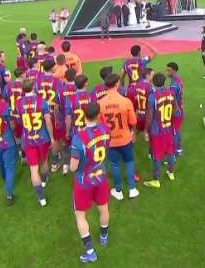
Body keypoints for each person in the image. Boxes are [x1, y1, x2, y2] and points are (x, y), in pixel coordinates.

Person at [69, 102, 111, 264]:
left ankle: (90, 251)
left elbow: (73, 167)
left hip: (83, 182)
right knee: (104, 208)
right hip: (101, 177)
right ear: (98, 114)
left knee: (80, 215)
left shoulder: (78, 137)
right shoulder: (106, 130)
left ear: (83, 116)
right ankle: (104, 236)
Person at [98, 73, 139, 200]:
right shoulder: (126, 101)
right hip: (125, 139)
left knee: (114, 165)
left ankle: (118, 191)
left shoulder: (100, 103)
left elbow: (99, 125)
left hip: (110, 141)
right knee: (129, 162)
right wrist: (132, 132)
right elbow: (133, 121)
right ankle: (132, 189)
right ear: (117, 84)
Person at [14, 78, 54, 207]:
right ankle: (44, 179)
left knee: (33, 169)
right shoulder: (42, 101)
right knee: (44, 161)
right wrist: (52, 137)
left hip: (28, 139)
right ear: (34, 87)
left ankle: (41, 198)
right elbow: (48, 121)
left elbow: (18, 120)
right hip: (42, 138)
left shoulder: (18, 103)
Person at [143, 73, 180, 189]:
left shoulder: (152, 97)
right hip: (168, 129)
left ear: (153, 82)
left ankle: (156, 180)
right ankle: (171, 172)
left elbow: (149, 117)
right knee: (170, 152)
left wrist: (145, 130)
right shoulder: (171, 93)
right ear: (164, 82)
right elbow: (176, 110)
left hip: (157, 132)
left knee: (157, 156)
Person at [166, 62, 185, 157]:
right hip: (180, 109)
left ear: (173, 70)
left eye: (168, 70)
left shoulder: (173, 85)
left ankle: (174, 153)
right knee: (176, 130)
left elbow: (172, 98)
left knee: (174, 132)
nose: (166, 72)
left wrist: (175, 109)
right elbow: (181, 92)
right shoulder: (178, 79)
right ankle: (179, 149)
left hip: (175, 111)